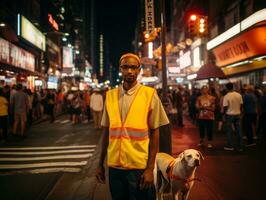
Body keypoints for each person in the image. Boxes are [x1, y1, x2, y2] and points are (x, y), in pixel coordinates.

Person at [96, 53, 169, 200]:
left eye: (133, 67)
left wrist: (150, 168)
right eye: (125, 67)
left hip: (139, 167)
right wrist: (100, 164)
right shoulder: (110, 96)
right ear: (120, 69)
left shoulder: (149, 94)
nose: (129, 71)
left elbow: (155, 132)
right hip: (115, 167)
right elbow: (106, 132)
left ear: (139, 70)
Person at [223, 82, 243, 151]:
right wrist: (240, 113)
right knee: (239, 130)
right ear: (233, 87)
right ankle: (240, 146)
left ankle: (230, 146)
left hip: (229, 115)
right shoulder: (239, 95)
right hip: (237, 114)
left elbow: (225, 107)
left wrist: (224, 114)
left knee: (229, 131)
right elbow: (241, 105)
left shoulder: (226, 96)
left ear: (226, 88)